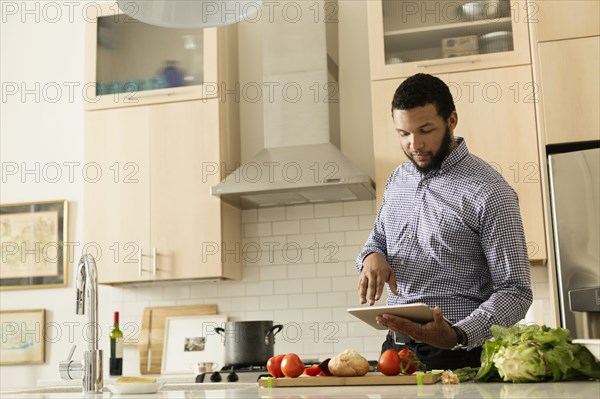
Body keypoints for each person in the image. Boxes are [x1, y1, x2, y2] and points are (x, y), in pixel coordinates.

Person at [356, 73, 532, 370]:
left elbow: (516, 291)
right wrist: (372, 256)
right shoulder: (398, 179)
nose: (414, 144)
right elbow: (378, 240)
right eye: (403, 133)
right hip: (394, 353)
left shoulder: (490, 192)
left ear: (451, 120)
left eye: (425, 130)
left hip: (459, 356)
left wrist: (458, 334)